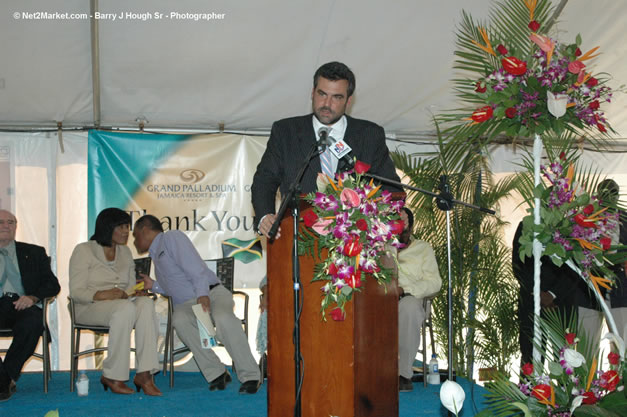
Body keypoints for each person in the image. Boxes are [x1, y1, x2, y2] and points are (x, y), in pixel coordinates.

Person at [251, 61, 402, 238]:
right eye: (322, 94)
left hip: (354, 242)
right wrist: (264, 216)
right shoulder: (286, 132)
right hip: (298, 240)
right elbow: (264, 180)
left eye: (336, 97)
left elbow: (390, 188)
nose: (327, 103)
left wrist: (400, 213)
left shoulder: (369, 135)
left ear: (348, 100)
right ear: (312, 93)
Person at [133, 214, 261, 394]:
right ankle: (217, 373)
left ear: (145, 231)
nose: (134, 241)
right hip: (188, 303)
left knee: (223, 317)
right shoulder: (156, 255)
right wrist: (153, 285)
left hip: (211, 292)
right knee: (180, 319)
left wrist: (202, 294)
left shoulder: (170, 238)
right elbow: (176, 286)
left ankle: (251, 375)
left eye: (135, 235)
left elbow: (195, 267)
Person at [69, 208, 161, 396]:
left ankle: (145, 373)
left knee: (146, 304)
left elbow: (126, 290)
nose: (126, 232)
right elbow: (76, 292)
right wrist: (103, 294)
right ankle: (113, 375)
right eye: (121, 227)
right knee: (124, 308)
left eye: (127, 227)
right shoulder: (84, 250)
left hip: (120, 306)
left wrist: (137, 292)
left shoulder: (125, 252)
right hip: (88, 307)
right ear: (107, 227)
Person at [0, 209, 60, 402]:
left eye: (10, 222)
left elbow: (52, 285)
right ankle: (3, 381)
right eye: (1, 222)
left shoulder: (33, 252)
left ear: (16, 227)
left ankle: (5, 377)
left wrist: (33, 297)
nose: (6, 226)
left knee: (34, 323)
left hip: (22, 304)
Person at [512, 220, 579, 365]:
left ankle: (563, 388)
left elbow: (576, 267)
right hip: (531, 302)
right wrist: (538, 293)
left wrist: (552, 294)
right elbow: (518, 264)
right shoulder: (525, 225)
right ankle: (530, 388)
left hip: (562, 303)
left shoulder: (570, 227)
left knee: (564, 359)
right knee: (530, 359)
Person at [396, 207, 442, 392]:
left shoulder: (423, 248)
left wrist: (405, 290)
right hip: (380, 300)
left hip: (409, 299)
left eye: (405, 230)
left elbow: (434, 282)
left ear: (412, 229)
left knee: (408, 308)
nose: (402, 234)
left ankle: (403, 374)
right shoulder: (378, 247)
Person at [597, 179, 627, 342]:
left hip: (620, 288)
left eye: (613, 193)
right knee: (587, 345)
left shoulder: (626, 219)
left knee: (621, 342)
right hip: (589, 290)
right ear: (598, 195)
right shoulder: (587, 219)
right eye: (605, 193)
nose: (610, 197)